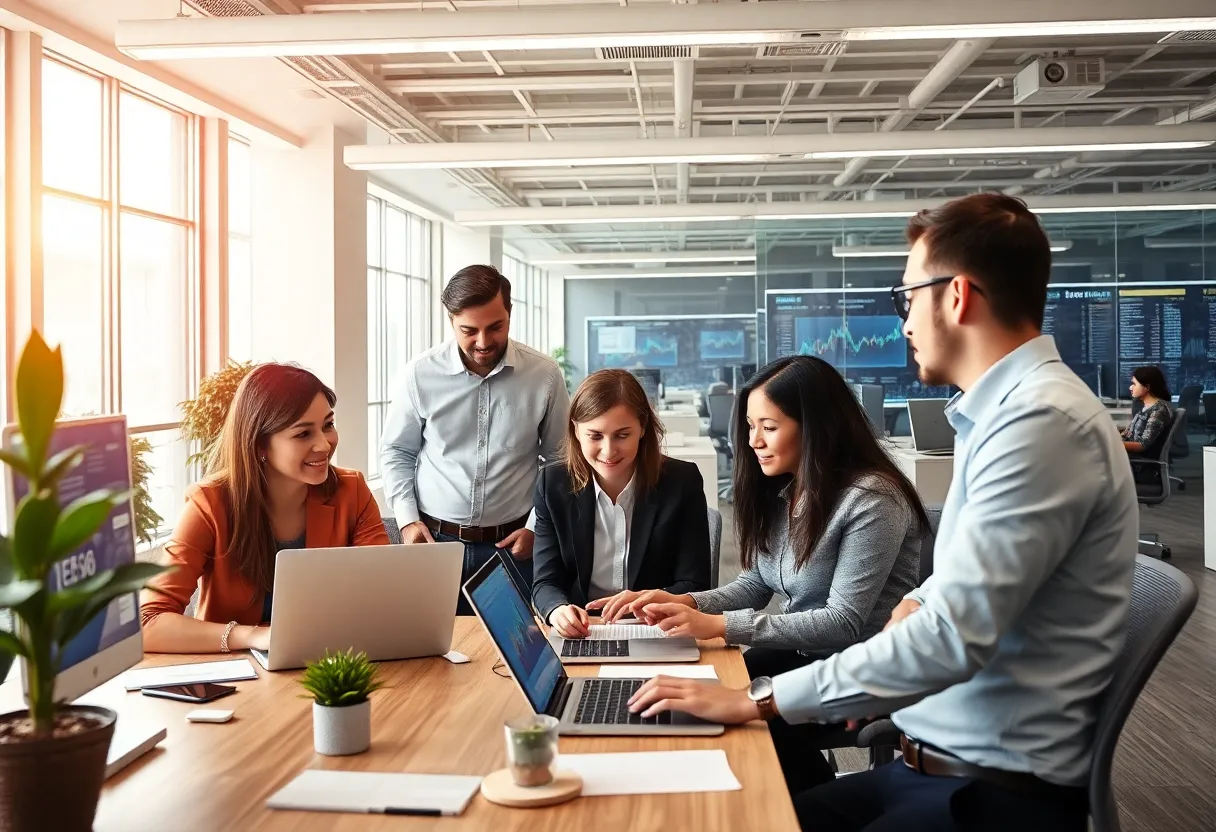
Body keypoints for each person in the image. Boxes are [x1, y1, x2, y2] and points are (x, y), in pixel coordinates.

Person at [627, 193, 1138, 832]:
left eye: (907, 298)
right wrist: (921, 599)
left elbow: (952, 637)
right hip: (925, 764)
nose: (903, 322)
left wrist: (755, 699)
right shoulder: (1007, 417)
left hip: (987, 795)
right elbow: (960, 595)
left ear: (956, 296)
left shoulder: (1040, 424)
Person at [608, 354, 927, 795]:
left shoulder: (872, 499)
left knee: (741, 723)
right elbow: (757, 584)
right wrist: (690, 603)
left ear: (815, 427)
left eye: (769, 427)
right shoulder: (789, 488)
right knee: (691, 693)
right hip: (803, 652)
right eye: (751, 426)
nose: (754, 441)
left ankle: (798, 808)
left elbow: (843, 622)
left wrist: (719, 625)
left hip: (856, 667)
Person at [141, 364, 390, 654]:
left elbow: (380, 597)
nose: (324, 444)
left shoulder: (352, 491)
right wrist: (252, 637)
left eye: (328, 425)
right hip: (234, 674)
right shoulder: (209, 504)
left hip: (326, 663)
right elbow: (148, 621)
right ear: (260, 444)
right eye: (303, 434)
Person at [379, 265, 570, 613]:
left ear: (509, 315)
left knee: (511, 659)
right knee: (429, 654)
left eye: (495, 327)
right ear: (451, 321)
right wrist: (407, 521)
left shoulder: (543, 375)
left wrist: (535, 527)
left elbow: (559, 461)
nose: (483, 342)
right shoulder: (420, 374)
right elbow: (397, 451)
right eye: (469, 330)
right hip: (433, 544)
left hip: (514, 548)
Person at [531, 369, 711, 638]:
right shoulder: (552, 484)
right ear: (576, 431)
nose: (608, 451)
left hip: (655, 627)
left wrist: (645, 601)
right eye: (595, 436)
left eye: (622, 435)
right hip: (585, 630)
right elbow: (545, 581)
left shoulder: (681, 482)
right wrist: (557, 610)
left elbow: (695, 584)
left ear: (642, 428)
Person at [1121, 365, 1172, 457]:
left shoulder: (1158, 410)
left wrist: (1114, 446)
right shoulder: (1145, 407)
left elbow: (1142, 445)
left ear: (1147, 387)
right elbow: (1128, 433)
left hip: (1138, 462)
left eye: (1134, 384)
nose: (1130, 388)